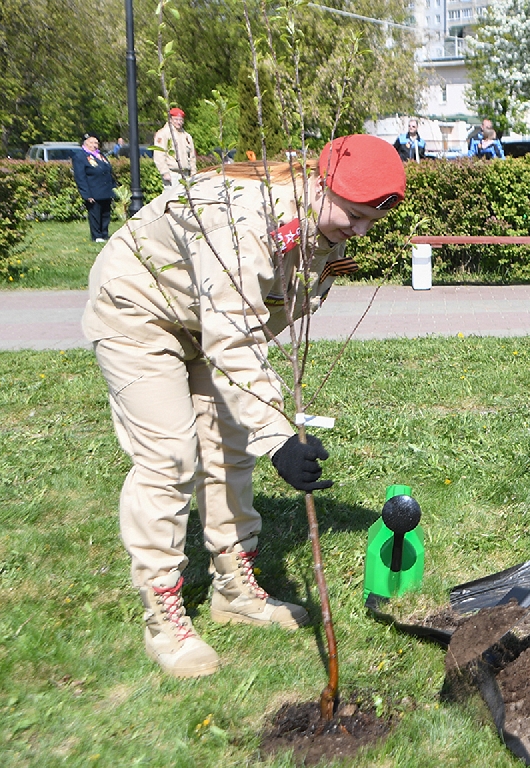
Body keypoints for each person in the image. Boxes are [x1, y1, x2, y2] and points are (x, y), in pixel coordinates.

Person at [82, 135, 406, 677]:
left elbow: (254, 321)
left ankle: (235, 590)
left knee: (231, 450)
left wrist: (266, 425)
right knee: (169, 457)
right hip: (139, 310)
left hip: (207, 322)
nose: (359, 232)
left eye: (370, 220)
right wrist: (280, 436)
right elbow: (232, 334)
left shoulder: (317, 222)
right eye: (352, 216)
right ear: (319, 183)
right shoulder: (239, 218)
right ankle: (164, 617)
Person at [71, 132, 115, 242]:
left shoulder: (101, 155)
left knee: (105, 214)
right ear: (85, 143)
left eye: (96, 142)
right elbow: (80, 177)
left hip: (105, 191)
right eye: (91, 142)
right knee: (95, 215)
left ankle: (104, 234)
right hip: (93, 192)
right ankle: (97, 236)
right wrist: (86, 194)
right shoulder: (80, 156)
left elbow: (108, 171)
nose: (94, 145)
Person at [153, 107, 198, 189]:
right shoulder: (163, 133)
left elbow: (192, 156)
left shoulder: (187, 136)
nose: (179, 122)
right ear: (170, 119)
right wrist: (164, 172)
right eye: (176, 119)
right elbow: (159, 155)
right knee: (172, 199)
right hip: (172, 173)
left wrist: (193, 173)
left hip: (186, 174)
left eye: (181, 120)